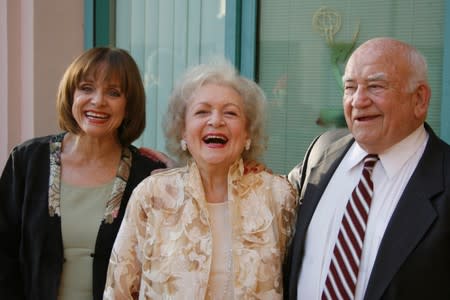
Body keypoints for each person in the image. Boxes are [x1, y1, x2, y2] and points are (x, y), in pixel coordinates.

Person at [103, 60, 298, 299]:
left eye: (230, 112)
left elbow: (300, 281)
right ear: (183, 130)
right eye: (202, 111)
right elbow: (119, 290)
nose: (216, 121)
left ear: (247, 133)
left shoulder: (278, 196)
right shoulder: (152, 195)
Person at [284, 37, 450, 299]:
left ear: (419, 99)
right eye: (350, 88)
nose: (358, 101)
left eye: (375, 86)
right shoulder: (321, 154)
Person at [0, 47, 166, 300]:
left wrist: (179, 174)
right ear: (71, 95)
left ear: (129, 106)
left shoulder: (147, 176)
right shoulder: (27, 161)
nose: (98, 101)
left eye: (113, 92)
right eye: (86, 88)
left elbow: (166, 265)